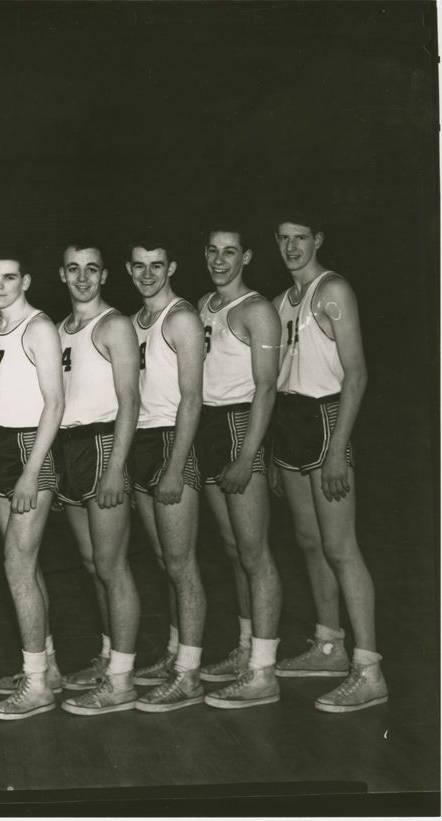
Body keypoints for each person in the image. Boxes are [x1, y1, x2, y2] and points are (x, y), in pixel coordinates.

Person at [270, 212, 386, 712]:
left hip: (326, 419)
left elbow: (357, 374)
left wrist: (339, 447)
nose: (292, 247)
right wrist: (275, 452)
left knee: (341, 548)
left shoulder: (332, 290)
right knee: (309, 542)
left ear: (318, 238)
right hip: (291, 423)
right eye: (284, 239)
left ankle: (369, 669)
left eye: (301, 238)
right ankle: (328, 646)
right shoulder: (281, 302)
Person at [52, 242, 143, 717]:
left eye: (92, 269)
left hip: (105, 444)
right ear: (62, 275)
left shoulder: (115, 325)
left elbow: (131, 401)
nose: (83, 278)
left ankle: (122, 680)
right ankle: (110, 657)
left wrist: (115, 468)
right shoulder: (62, 329)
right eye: (74, 269)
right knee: (91, 564)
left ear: (105, 275)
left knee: (112, 566)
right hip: (69, 449)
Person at [194, 228, 283, 709]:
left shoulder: (258, 310)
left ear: (246, 256)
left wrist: (248, 455)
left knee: (255, 552)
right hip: (208, 427)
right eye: (212, 250)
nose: (220, 259)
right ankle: (248, 648)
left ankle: (264, 672)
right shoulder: (205, 303)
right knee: (232, 549)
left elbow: (266, 389)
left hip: (238, 427)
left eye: (230, 251)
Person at [125, 238, 207, 713]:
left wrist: (176, 465)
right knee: (164, 563)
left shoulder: (182, 318)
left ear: (171, 266)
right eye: (139, 267)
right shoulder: (134, 322)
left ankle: (189, 676)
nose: (148, 274)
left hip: (172, 446)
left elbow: (192, 398)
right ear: (129, 270)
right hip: (140, 443)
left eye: (157, 265)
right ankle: (178, 654)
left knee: (183, 564)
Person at [0, 250, 65, 720]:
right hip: (1, 446)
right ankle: (46, 665)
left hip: (32, 449)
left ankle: (35, 686)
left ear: (26, 279)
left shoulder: (40, 328)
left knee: (17, 566)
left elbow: (54, 403)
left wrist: (33, 471)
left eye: (9, 277)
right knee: (24, 569)